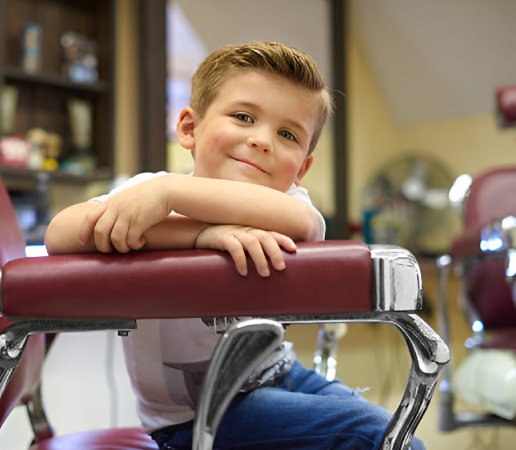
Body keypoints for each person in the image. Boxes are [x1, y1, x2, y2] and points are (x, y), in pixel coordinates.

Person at [45, 41, 424, 450]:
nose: (263, 141)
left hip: (281, 372)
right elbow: (61, 234)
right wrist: (198, 235)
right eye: (243, 117)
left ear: (302, 168)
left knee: (400, 441)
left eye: (287, 134)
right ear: (190, 128)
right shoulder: (145, 191)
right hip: (196, 417)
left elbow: (299, 224)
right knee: (374, 436)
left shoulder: (288, 206)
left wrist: (172, 193)